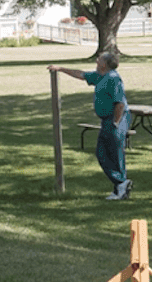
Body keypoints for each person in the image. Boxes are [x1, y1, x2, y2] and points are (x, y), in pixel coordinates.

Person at [48, 53, 133, 200]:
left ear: (104, 64)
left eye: (99, 59)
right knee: (103, 153)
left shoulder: (113, 78)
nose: (96, 60)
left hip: (116, 119)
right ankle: (120, 185)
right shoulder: (100, 76)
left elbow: (119, 103)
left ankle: (121, 185)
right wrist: (60, 69)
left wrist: (116, 123)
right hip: (108, 120)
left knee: (114, 153)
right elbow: (80, 74)